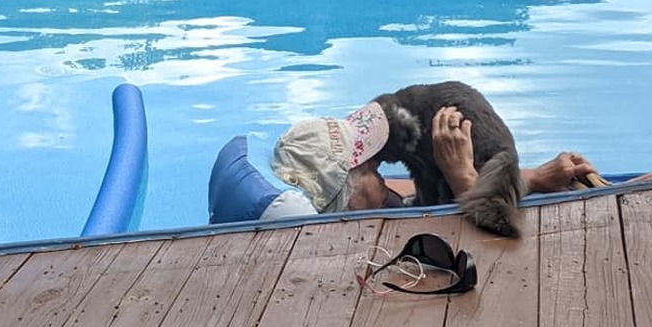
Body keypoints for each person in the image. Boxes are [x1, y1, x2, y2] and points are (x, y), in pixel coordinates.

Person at [209, 99, 606, 225]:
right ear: (339, 196)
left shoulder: (359, 208)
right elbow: (499, 258)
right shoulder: (349, 245)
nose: (382, 172)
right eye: (367, 168)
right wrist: (463, 177)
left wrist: (533, 178)